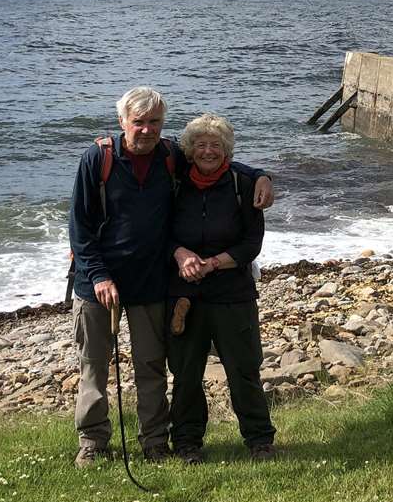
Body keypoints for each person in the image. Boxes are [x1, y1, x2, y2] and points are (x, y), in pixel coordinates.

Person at [68, 87, 273, 468]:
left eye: (155, 122)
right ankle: (93, 441)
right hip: (99, 283)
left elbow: (216, 160)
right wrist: (98, 275)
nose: (146, 130)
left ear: (164, 126)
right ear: (122, 122)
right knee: (94, 366)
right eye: (139, 122)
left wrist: (261, 175)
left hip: (150, 282)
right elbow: (79, 228)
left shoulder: (169, 155)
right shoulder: (98, 158)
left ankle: (155, 441)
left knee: (151, 367)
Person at [166, 113, 276, 463]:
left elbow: (251, 244)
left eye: (216, 145)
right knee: (185, 373)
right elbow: (158, 231)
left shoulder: (243, 183)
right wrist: (180, 254)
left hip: (233, 292)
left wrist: (212, 263)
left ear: (226, 149)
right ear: (189, 150)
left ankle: (259, 440)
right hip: (184, 294)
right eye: (200, 145)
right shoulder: (173, 182)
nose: (208, 151)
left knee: (243, 369)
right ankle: (187, 443)